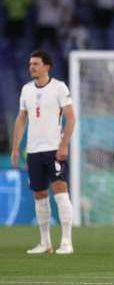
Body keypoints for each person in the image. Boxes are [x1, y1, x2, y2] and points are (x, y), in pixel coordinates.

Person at [11, 50, 76, 254]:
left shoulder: (59, 88)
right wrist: (15, 148)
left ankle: (66, 241)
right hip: (34, 151)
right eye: (30, 64)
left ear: (47, 67)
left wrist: (64, 144)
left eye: (36, 64)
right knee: (39, 195)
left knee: (60, 193)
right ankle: (45, 242)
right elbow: (22, 119)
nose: (32, 67)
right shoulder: (26, 90)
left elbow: (71, 117)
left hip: (54, 149)